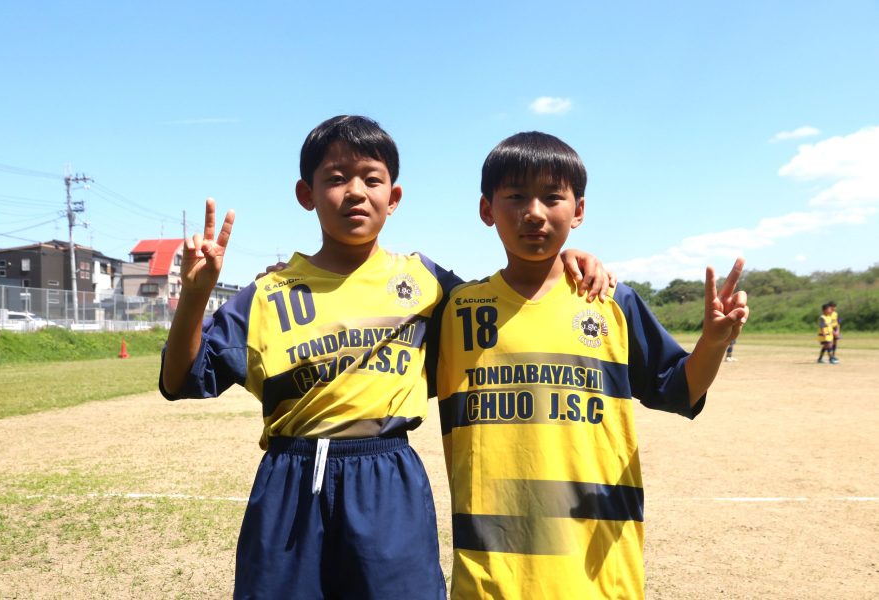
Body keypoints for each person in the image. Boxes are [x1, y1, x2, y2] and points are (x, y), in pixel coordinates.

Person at [159, 116, 612, 599]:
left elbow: (504, 302)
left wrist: (563, 261)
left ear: (393, 198)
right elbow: (180, 380)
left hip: (387, 478)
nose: (355, 192)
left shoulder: (425, 281)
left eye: (372, 179)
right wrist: (195, 296)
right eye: (336, 178)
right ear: (306, 194)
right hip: (290, 481)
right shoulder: (270, 293)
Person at [436, 131, 749, 599]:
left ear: (578, 210)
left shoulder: (611, 301)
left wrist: (712, 343)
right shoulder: (456, 309)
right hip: (492, 567)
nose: (534, 212)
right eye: (516, 196)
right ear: (487, 209)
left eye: (552, 197)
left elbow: (679, 388)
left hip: (597, 565)